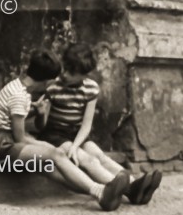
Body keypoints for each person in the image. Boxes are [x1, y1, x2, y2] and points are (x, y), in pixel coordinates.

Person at [0, 49, 131, 211]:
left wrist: (38, 111)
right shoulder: (19, 96)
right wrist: (50, 148)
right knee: (56, 154)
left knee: (53, 169)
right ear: (43, 81)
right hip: (2, 146)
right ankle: (103, 191)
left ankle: (102, 193)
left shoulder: (20, 87)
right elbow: (20, 138)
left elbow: (16, 119)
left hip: (9, 141)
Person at [36, 43, 162, 205]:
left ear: (84, 75)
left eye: (72, 73)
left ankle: (133, 184)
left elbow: (86, 125)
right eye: (65, 69)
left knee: (99, 156)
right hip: (54, 135)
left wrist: (75, 146)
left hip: (76, 134)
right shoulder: (53, 87)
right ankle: (128, 190)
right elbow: (42, 126)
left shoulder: (91, 88)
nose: (65, 75)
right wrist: (41, 114)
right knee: (87, 160)